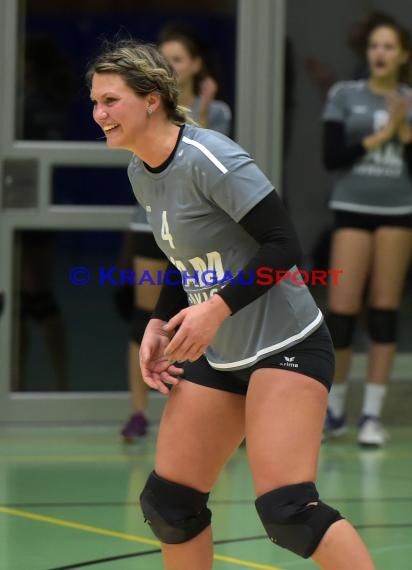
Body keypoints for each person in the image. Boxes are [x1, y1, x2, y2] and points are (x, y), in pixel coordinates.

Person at [87, 39, 375, 570]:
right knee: (169, 504)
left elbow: (285, 244)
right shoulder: (139, 169)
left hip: (285, 344)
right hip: (223, 356)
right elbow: (185, 260)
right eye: (95, 103)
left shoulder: (209, 156)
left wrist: (216, 308)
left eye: (110, 101)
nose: (98, 114)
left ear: (151, 99)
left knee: (289, 512)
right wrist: (157, 321)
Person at [120, 25, 232, 441]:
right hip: (150, 226)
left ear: (195, 65)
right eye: (162, 59)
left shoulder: (214, 109)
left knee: (197, 317)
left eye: (178, 59)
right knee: (147, 318)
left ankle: (196, 411)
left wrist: (199, 109)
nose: (170, 66)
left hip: (197, 231)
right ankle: (137, 412)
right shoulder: (146, 108)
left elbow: (205, 156)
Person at [322, 21, 412, 446]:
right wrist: (380, 137)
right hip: (352, 208)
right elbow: (331, 156)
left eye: (389, 47)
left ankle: (372, 415)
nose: (380, 53)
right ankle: (335, 408)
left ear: (403, 55)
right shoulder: (344, 95)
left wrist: (405, 135)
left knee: (383, 312)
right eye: (375, 45)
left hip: (398, 211)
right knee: (341, 313)